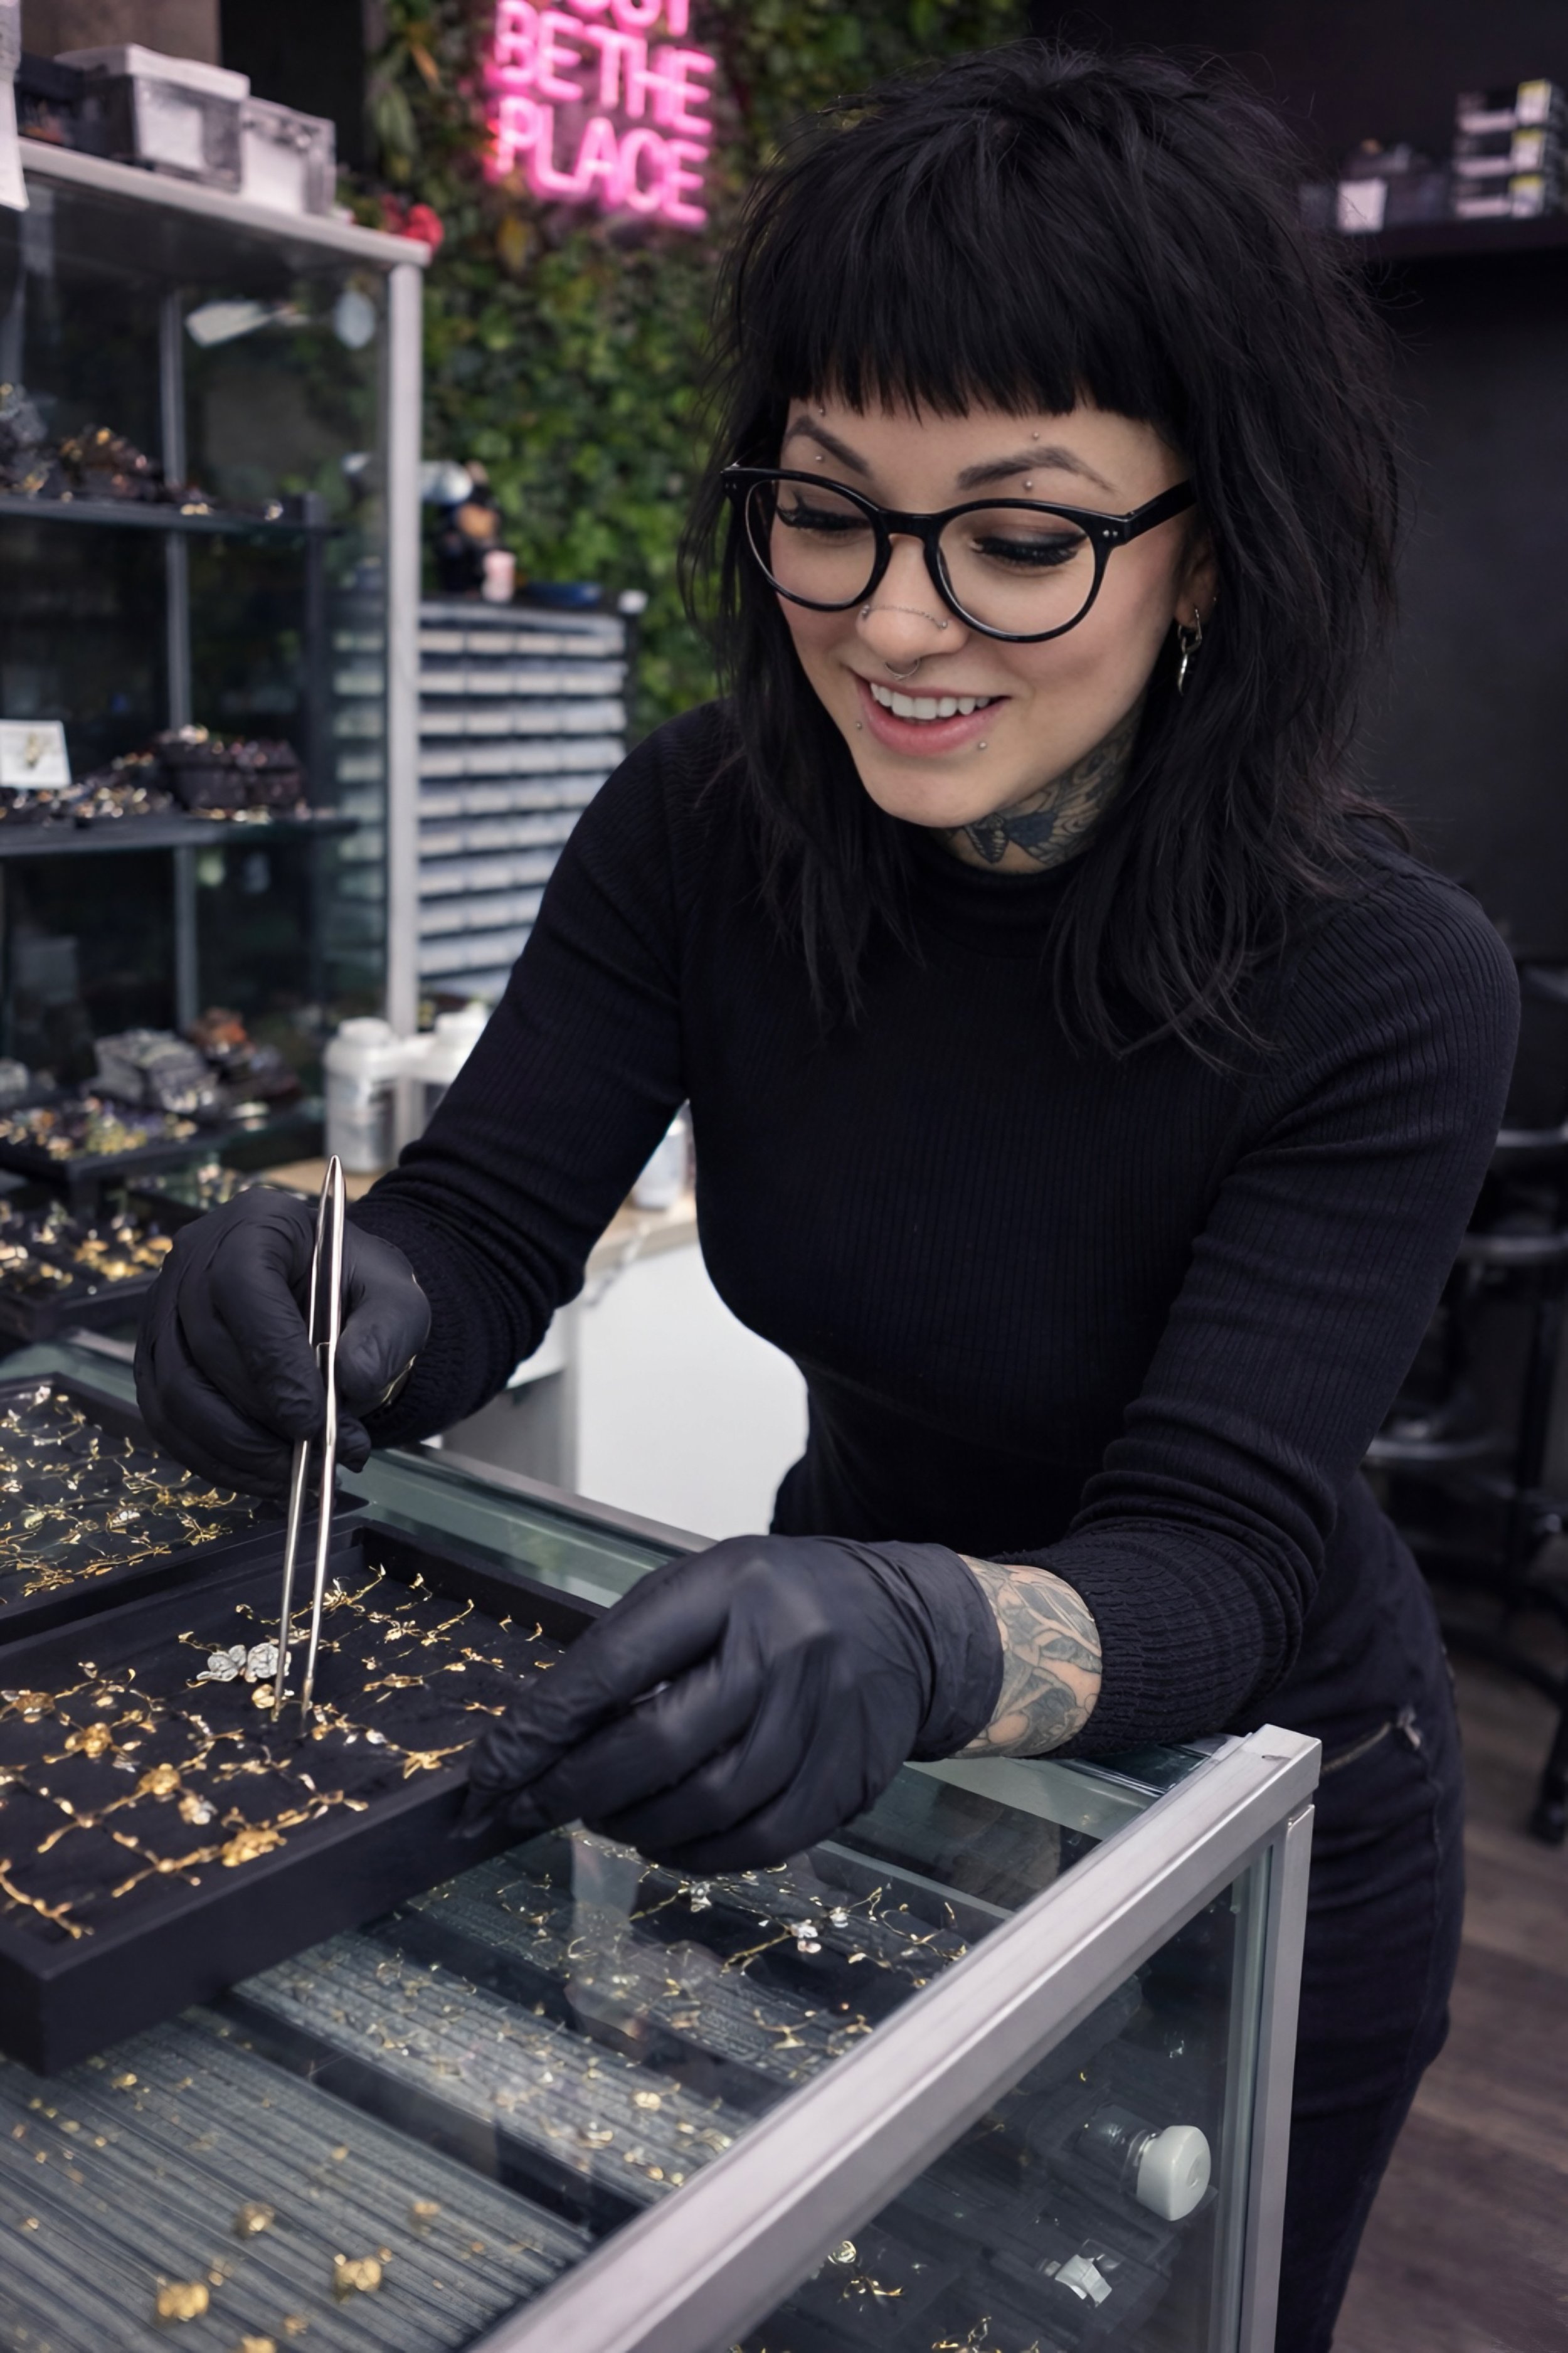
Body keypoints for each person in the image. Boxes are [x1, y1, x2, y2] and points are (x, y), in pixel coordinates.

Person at [137, 43, 1518, 2352]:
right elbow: (487, 1231)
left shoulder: (1380, 981)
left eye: (1016, 532)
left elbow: (1222, 1556)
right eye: (827, 509)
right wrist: (338, 1299)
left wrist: (914, 1632)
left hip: (1243, 1795)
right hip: (843, 1751)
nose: (891, 622)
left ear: (1214, 538)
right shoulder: (706, 825)